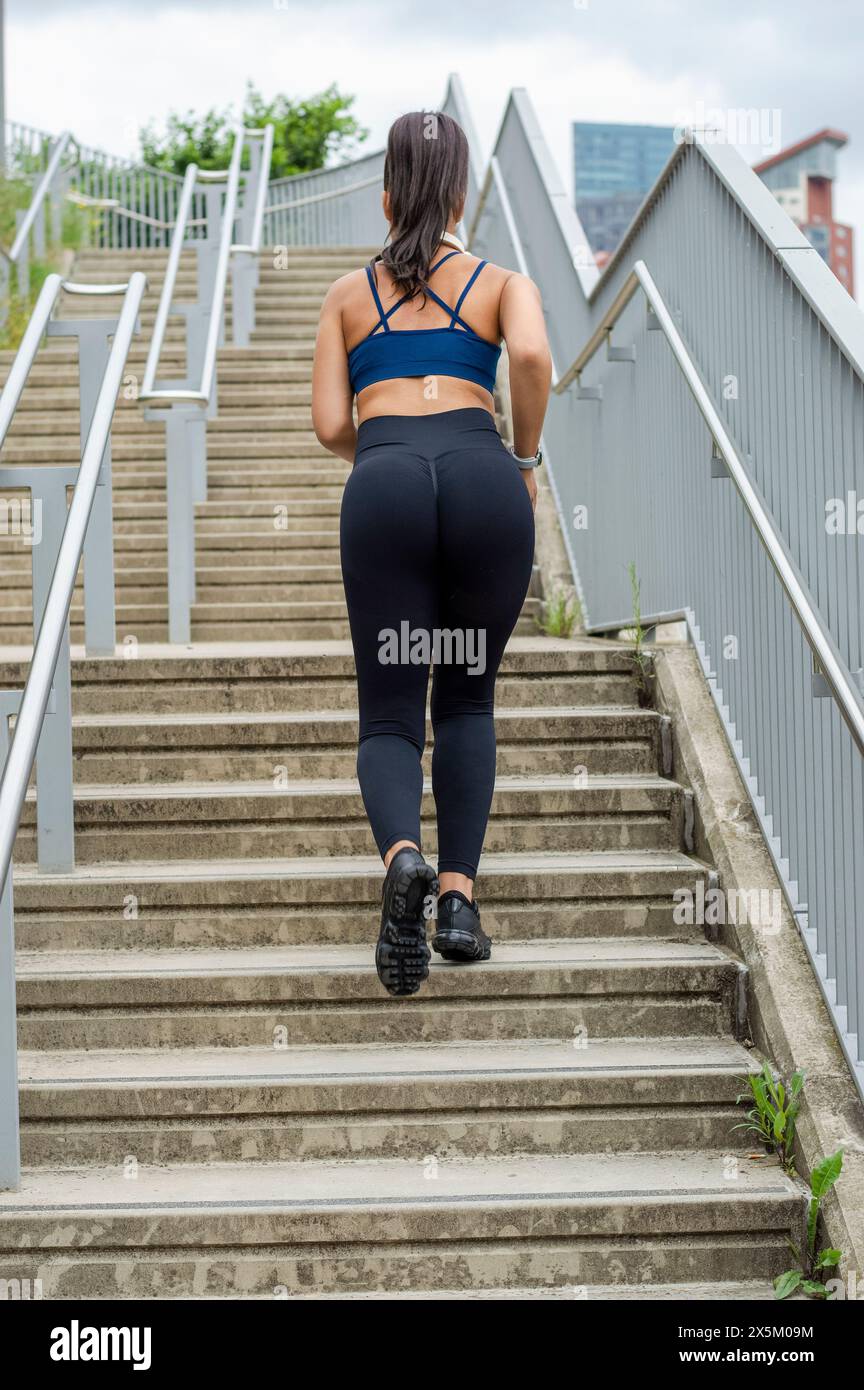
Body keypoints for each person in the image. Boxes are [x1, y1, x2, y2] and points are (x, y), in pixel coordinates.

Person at [312, 110, 552, 998]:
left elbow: (333, 424)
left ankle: (403, 857)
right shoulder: (499, 282)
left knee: (387, 713)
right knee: (466, 698)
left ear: (385, 196)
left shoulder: (346, 296)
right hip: (485, 479)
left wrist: (389, 456)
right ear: (457, 196)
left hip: (384, 487)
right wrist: (520, 457)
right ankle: (457, 902)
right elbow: (528, 354)